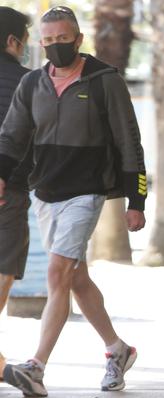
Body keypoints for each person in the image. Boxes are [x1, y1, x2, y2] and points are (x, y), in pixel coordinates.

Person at [0, 6, 146, 397]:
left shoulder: (104, 81)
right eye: (48, 42)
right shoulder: (32, 84)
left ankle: (36, 366)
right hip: (45, 192)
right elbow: (12, 137)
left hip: (88, 191)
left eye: (63, 40)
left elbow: (128, 141)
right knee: (74, 278)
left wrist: (137, 199)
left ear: (79, 39)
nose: (55, 47)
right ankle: (118, 349)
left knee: (56, 272)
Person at [0, 7, 32, 320]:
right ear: (12, 41)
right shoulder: (29, 82)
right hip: (9, 191)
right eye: (25, 40)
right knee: (4, 267)